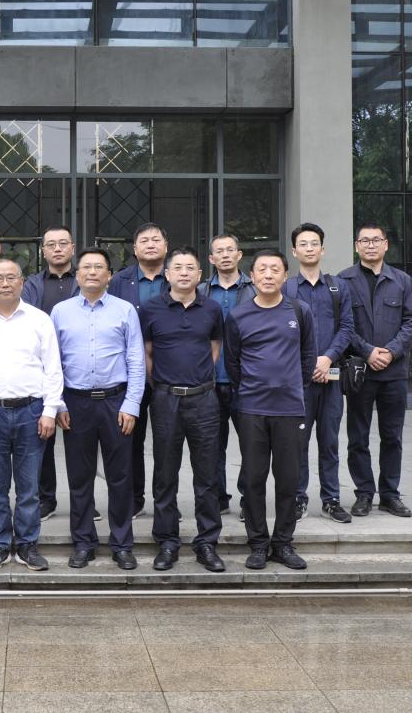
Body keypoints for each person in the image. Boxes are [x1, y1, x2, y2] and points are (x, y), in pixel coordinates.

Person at [0, 258, 63, 572]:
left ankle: (28, 545)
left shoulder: (39, 320)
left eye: (11, 277)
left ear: (22, 282)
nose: (5, 283)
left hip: (32, 411)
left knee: (29, 488)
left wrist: (50, 411)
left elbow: (53, 369)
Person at [51, 248, 143, 570]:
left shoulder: (124, 310)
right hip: (75, 403)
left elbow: (135, 359)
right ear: (77, 275)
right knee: (80, 477)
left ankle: (122, 544)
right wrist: (59, 403)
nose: (92, 272)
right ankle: (83, 542)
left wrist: (132, 404)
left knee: (120, 477)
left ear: (109, 276)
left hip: (116, 402)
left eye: (99, 267)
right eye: (86, 267)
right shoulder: (60, 312)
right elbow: (53, 362)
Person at [225, 249, 315, 571]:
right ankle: (259, 544)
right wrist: (253, 388)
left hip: (290, 409)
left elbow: (308, 356)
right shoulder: (238, 316)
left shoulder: (299, 311)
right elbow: (232, 363)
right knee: (253, 478)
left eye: (275, 269)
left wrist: (291, 387)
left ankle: (283, 543)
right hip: (252, 408)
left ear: (285, 276)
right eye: (261, 269)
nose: (268, 275)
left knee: (288, 479)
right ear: (251, 276)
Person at [139, 247, 227, 573]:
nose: (184, 273)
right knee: (165, 474)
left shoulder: (212, 309)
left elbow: (214, 348)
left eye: (191, 267)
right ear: (168, 274)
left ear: (200, 274)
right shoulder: (151, 309)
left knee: (207, 475)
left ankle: (207, 542)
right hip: (166, 399)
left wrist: (197, 379)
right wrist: (165, 384)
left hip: (204, 399)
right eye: (178, 267)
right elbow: (147, 353)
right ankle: (167, 541)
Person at [338, 224, 412, 519]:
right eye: (365, 240)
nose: (370, 245)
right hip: (360, 372)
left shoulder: (402, 281)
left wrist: (390, 351)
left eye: (376, 240)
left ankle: (390, 495)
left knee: (392, 436)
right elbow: (343, 325)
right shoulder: (343, 281)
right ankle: (363, 493)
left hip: (393, 372)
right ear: (356, 245)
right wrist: (368, 352)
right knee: (358, 437)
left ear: (386, 244)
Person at [284, 223, 356, 524]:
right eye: (303, 244)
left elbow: (347, 327)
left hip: (332, 377)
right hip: (298, 381)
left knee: (329, 442)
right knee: (297, 443)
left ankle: (331, 499)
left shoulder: (338, 288)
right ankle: (298, 498)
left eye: (314, 243)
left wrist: (326, 359)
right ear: (294, 251)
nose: (309, 248)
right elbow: (281, 331)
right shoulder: (287, 289)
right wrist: (309, 365)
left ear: (322, 249)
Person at [108, 223, 169, 519]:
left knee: (167, 442)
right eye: (144, 240)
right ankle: (134, 498)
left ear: (166, 247)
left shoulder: (177, 276)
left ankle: (165, 501)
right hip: (130, 373)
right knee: (130, 439)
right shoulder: (119, 281)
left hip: (169, 373)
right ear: (134, 249)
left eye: (156, 239)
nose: (151, 244)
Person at [21, 226, 78, 522]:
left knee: (79, 442)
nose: (57, 248)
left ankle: (83, 501)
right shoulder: (32, 284)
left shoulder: (85, 278)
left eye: (63, 243)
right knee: (42, 439)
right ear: (43, 251)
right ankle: (46, 498)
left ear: (72, 248)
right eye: (51, 244)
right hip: (42, 371)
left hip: (78, 371)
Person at [199, 234, 256, 515]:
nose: (224, 255)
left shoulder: (254, 289)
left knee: (251, 445)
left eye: (229, 250)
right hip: (209, 382)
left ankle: (249, 499)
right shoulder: (200, 291)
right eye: (219, 251)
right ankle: (218, 498)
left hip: (245, 381)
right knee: (211, 446)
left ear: (239, 254)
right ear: (211, 258)